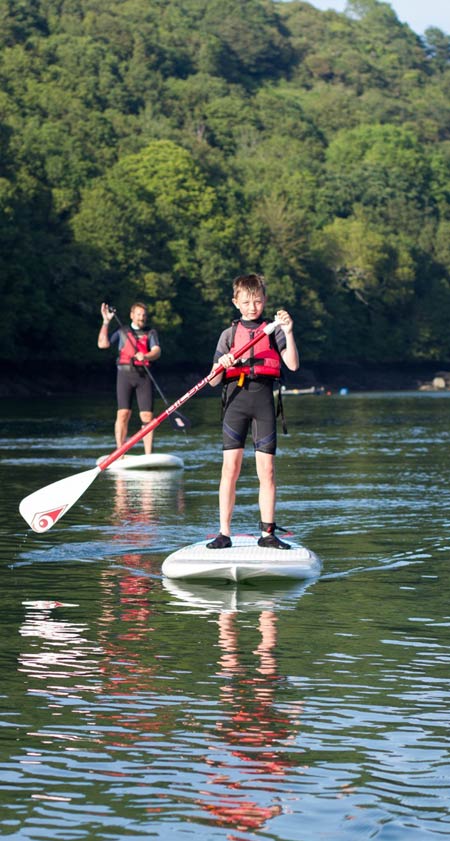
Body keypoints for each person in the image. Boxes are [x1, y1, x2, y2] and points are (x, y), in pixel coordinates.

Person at [207, 273, 299, 550]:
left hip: (263, 403)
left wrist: (290, 331)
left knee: (267, 471)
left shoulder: (275, 331)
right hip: (235, 402)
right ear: (236, 302)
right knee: (230, 470)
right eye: (246, 302)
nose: (252, 307)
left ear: (265, 301)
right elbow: (212, 381)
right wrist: (221, 364)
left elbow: (292, 365)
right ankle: (224, 533)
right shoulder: (229, 335)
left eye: (257, 301)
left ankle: (267, 534)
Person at [98, 301, 161, 455]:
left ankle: (148, 454)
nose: (142, 317)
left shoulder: (151, 332)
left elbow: (157, 351)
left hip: (144, 376)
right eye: (139, 314)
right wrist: (106, 322)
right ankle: (120, 452)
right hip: (125, 375)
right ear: (132, 315)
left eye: (144, 315)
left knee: (147, 416)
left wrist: (145, 355)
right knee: (123, 413)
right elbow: (102, 344)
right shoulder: (122, 331)